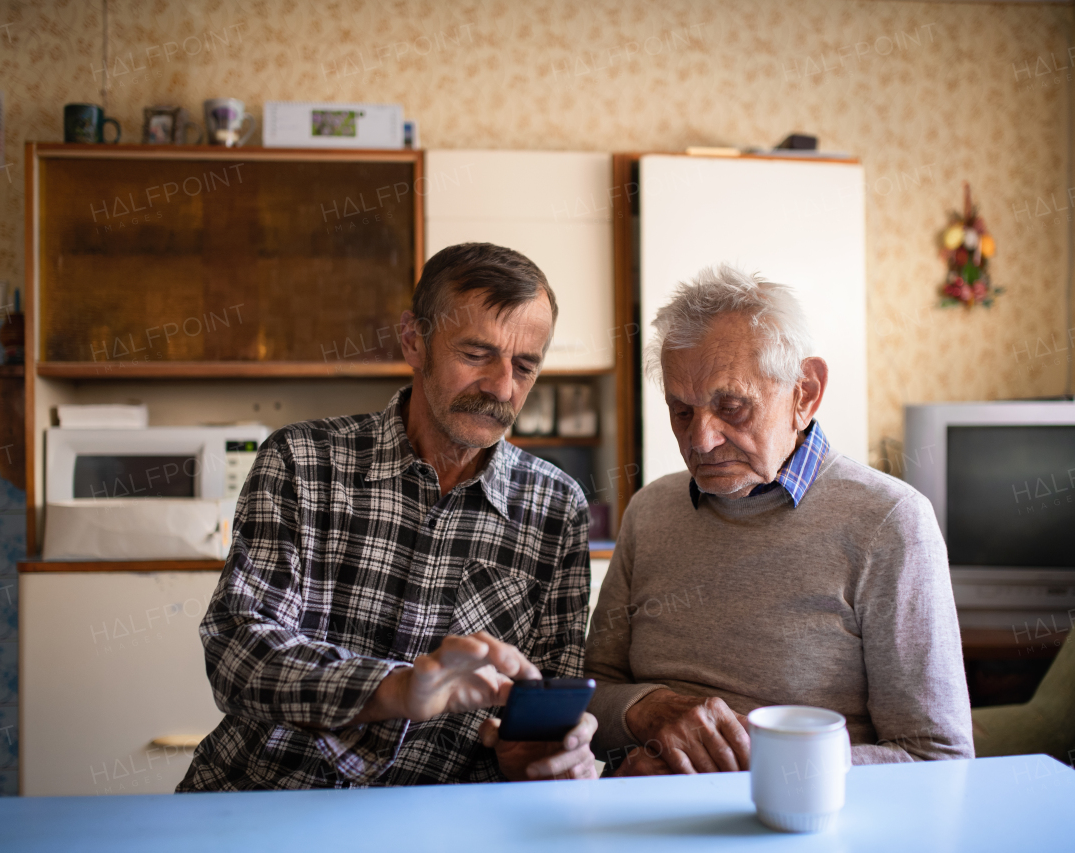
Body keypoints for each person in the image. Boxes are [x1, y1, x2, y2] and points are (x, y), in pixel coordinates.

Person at [178, 243, 597, 791]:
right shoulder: (301, 461)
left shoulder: (556, 509)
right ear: (414, 342)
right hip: (261, 796)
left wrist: (537, 757)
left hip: (435, 824)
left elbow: (544, 701)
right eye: (476, 354)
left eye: (524, 366)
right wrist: (394, 690)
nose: (501, 388)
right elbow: (238, 652)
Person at [585, 263, 973, 776]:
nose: (700, 440)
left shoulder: (890, 523)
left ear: (805, 393)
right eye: (682, 411)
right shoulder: (650, 511)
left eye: (732, 406)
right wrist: (647, 713)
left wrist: (749, 768)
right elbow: (591, 693)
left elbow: (937, 758)